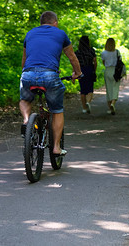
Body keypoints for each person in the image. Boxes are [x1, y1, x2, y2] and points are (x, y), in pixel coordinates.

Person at [19, 11, 82, 156]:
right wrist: (77, 73)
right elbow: (72, 57)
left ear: (41, 23)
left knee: (24, 99)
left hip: (28, 74)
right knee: (57, 110)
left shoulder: (30, 34)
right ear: (55, 23)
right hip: (49, 75)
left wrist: (26, 74)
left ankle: (27, 120)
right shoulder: (60, 33)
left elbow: (25, 59)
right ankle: (56, 148)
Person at [75, 35, 97, 114]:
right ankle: (88, 102)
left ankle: (84, 108)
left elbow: (75, 63)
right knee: (90, 89)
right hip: (90, 69)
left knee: (83, 90)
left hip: (81, 71)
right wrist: (94, 70)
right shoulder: (91, 50)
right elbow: (95, 61)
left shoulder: (77, 52)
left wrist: (75, 73)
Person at [101, 38, 121, 115]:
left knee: (108, 89)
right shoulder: (117, 52)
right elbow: (120, 62)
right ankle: (113, 103)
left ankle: (110, 107)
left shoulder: (104, 53)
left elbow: (103, 62)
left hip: (107, 70)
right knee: (115, 87)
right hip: (116, 71)